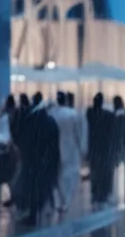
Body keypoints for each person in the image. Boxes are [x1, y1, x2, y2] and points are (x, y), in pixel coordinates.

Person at [15, 95, 60, 224]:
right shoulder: (50, 121)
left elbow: (26, 141)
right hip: (45, 161)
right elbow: (54, 145)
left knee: (32, 187)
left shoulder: (32, 120)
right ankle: (39, 210)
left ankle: (33, 213)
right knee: (42, 187)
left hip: (33, 161)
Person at [49, 92, 86, 214]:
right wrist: (82, 148)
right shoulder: (72, 115)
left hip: (55, 148)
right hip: (71, 148)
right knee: (69, 176)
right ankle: (66, 201)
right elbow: (78, 133)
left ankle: (59, 200)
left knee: (57, 175)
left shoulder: (52, 113)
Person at [87, 93, 116, 205]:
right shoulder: (108, 116)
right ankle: (103, 193)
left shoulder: (90, 114)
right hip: (105, 149)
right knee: (104, 172)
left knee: (96, 172)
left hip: (96, 148)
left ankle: (96, 193)